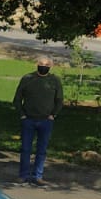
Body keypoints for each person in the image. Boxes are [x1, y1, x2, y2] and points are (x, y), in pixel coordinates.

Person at [13, 55, 63, 186]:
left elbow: (59, 100)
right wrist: (22, 114)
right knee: (25, 149)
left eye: (46, 65)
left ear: (50, 67)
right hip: (28, 119)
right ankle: (23, 175)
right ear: (37, 64)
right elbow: (17, 98)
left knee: (42, 150)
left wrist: (53, 115)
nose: (43, 67)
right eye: (41, 64)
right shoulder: (28, 79)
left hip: (46, 121)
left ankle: (38, 176)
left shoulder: (54, 81)